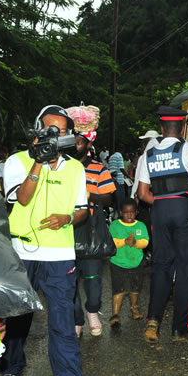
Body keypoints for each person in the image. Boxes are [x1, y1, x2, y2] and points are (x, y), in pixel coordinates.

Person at [0, 105, 94, 376]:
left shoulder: (76, 169)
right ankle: (11, 370)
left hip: (60, 255)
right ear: (37, 130)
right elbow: (21, 199)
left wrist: (68, 217)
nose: (56, 136)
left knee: (63, 323)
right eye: (50, 130)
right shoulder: (17, 161)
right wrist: (38, 162)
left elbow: (82, 210)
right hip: (21, 252)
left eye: (62, 132)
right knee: (16, 315)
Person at [137, 106, 188, 343]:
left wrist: (160, 203)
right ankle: (179, 328)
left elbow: (142, 193)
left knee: (161, 266)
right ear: (183, 128)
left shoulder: (149, 153)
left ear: (161, 128)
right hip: (182, 209)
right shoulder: (187, 149)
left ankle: (154, 319)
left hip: (159, 211)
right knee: (186, 269)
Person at [66, 105, 116, 338]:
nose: (74, 145)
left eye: (78, 141)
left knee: (93, 280)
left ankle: (92, 312)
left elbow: (108, 199)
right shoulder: (60, 168)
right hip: (65, 229)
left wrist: (86, 194)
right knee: (68, 282)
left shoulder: (98, 169)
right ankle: (77, 319)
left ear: (87, 145)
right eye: (71, 141)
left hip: (92, 229)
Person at [108, 198, 150, 327]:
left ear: (136, 212)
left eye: (132, 212)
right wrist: (124, 242)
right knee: (118, 288)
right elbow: (111, 243)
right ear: (121, 212)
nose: (129, 215)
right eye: (126, 212)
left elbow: (145, 241)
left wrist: (136, 243)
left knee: (135, 287)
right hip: (117, 263)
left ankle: (134, 307)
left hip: (136, 263)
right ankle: (115, 315)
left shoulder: (140, 226)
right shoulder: (115, 225)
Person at [107, 146, 129, 213]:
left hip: (113, 180)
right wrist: (128, 177)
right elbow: (122, 168)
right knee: (121, 200)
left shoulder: (111, 157)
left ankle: (114, 214)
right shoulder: (119, 156)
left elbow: (110, 169)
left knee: (115, 199)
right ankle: (120, 215)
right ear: (122, 150)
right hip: (119, 181)